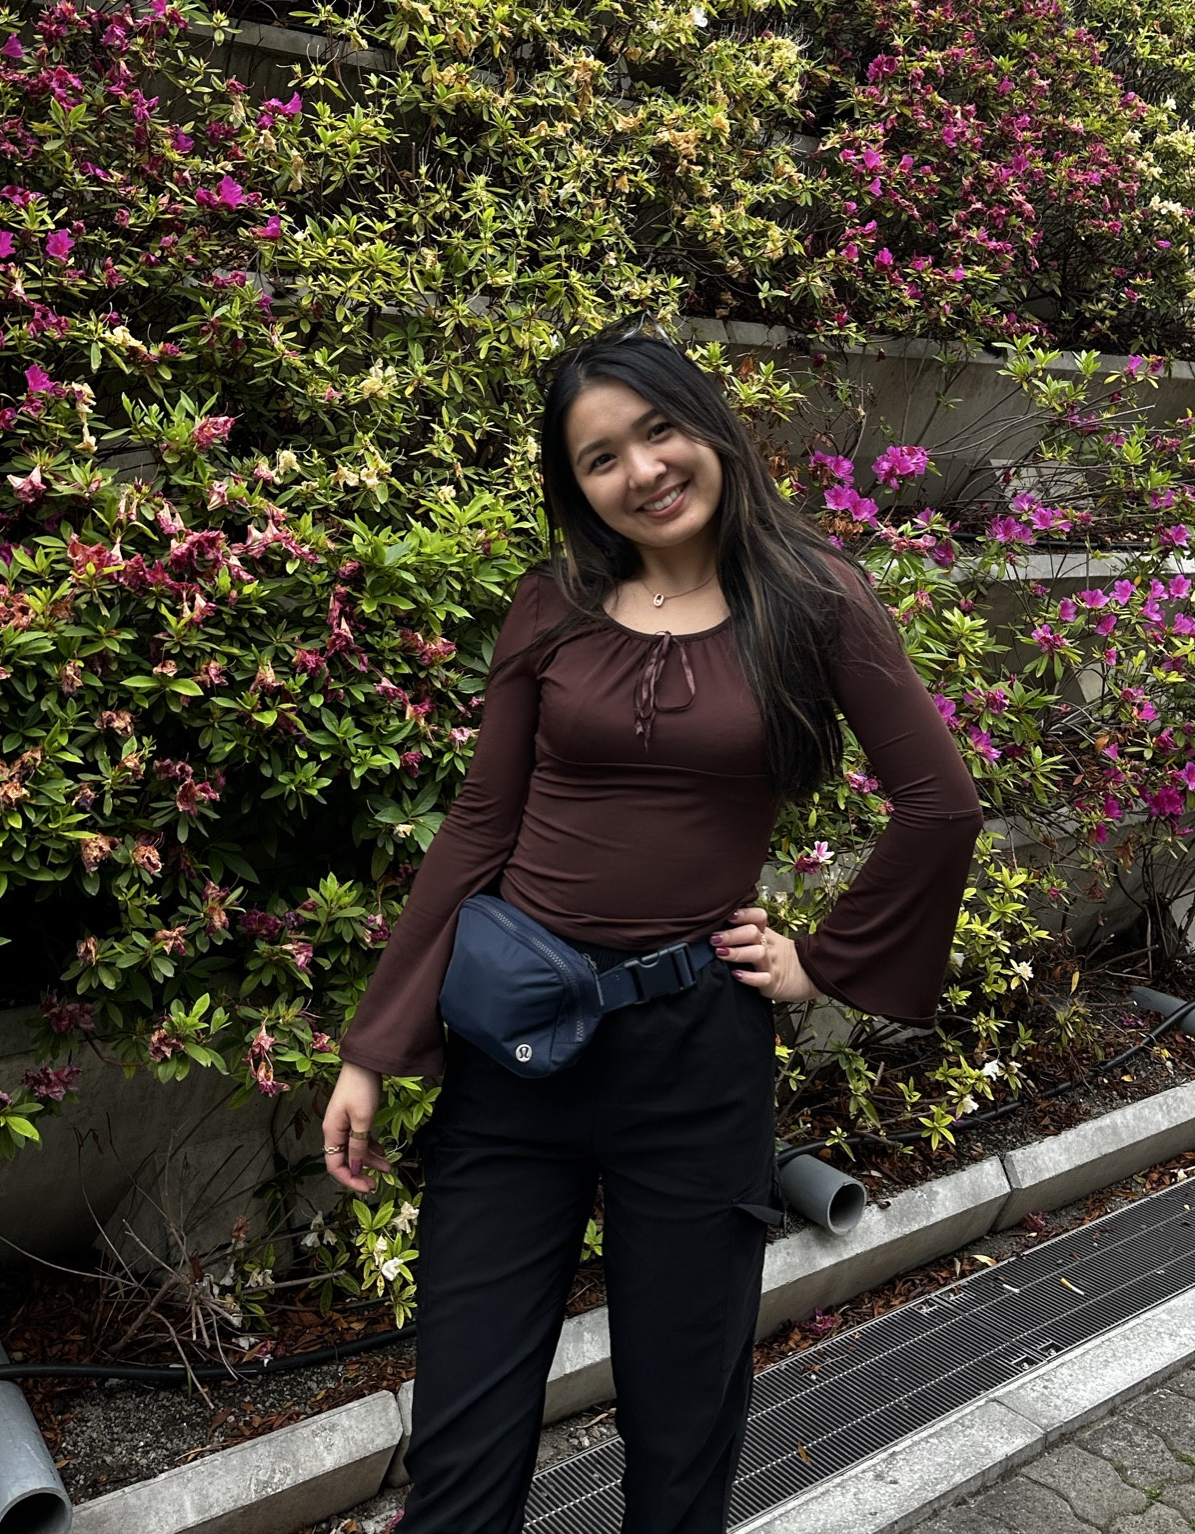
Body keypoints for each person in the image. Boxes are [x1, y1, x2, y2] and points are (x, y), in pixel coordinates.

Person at [321, 322, 983, 1534]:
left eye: (658, 428)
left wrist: (817, 962)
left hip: (691, 1054)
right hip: (514, 1048)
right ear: (575, 486)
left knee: (680, 1428)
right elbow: (478, 826)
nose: (641, 469)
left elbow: (939, 803)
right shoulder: (554, 603)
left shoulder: (814, 599)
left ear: (708, 424)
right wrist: (374, 1044)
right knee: (463, 1433)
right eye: (598, 456)